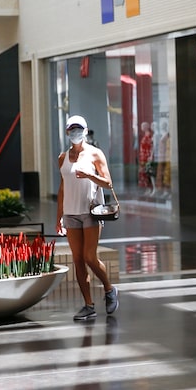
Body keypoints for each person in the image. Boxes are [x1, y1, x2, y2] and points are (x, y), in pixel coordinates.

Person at [56, 115, 119, 321]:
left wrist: (90, 175)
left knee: (89, 256)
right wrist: (59, 218)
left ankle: (109, 289)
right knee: (77, 259)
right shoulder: (62, 158)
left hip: (90, 211)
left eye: (79, 129)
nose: (75, 132)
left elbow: (108, 183)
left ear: (85, 130)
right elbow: (63, 188)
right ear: (67, 132)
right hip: (70, 213)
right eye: (72, 129)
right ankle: (88, 305)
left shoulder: (95, 154)